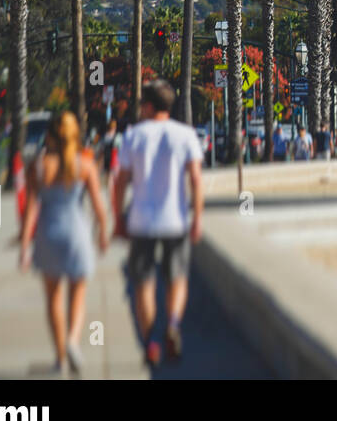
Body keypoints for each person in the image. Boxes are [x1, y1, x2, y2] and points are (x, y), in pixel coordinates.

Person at [113, 79, 203, 367]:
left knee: (144, 285)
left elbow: (120, 182)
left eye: (142, 104)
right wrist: (197, 217)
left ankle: (151, 340)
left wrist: (117, 219)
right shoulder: (185, 135)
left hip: (141, 222)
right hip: (175, 220)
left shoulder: (133, 136)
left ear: (149, 106)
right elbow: (196, 180)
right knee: (177, 277)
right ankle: (174, 324)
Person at [19, 111, 109, 376]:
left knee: (53, 299)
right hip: (78, 234)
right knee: (78, 296)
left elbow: (31, 210)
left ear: (49, 136)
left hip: (48, 234)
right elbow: (98, 208)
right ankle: (73, 340)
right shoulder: (85, 164)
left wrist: (25, 247)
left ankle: (60, 358)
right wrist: (102, 232)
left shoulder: (38, 166)